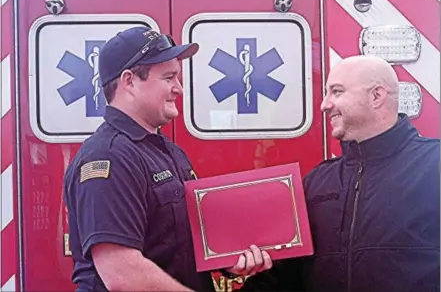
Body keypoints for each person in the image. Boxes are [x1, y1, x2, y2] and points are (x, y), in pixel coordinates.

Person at [62, 27, 273, 292]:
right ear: (129, 81)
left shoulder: (167, 153)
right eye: (169, 78)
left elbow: (180, 241)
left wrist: (228, 260)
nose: (179, 89)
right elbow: (122, 274)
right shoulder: (108, 158)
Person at [241, 55, 440, 292]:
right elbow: (286, 274)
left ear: (376, 96)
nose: (325, 104)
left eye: (336, 92)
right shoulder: (316, 183)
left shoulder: (434, 165)